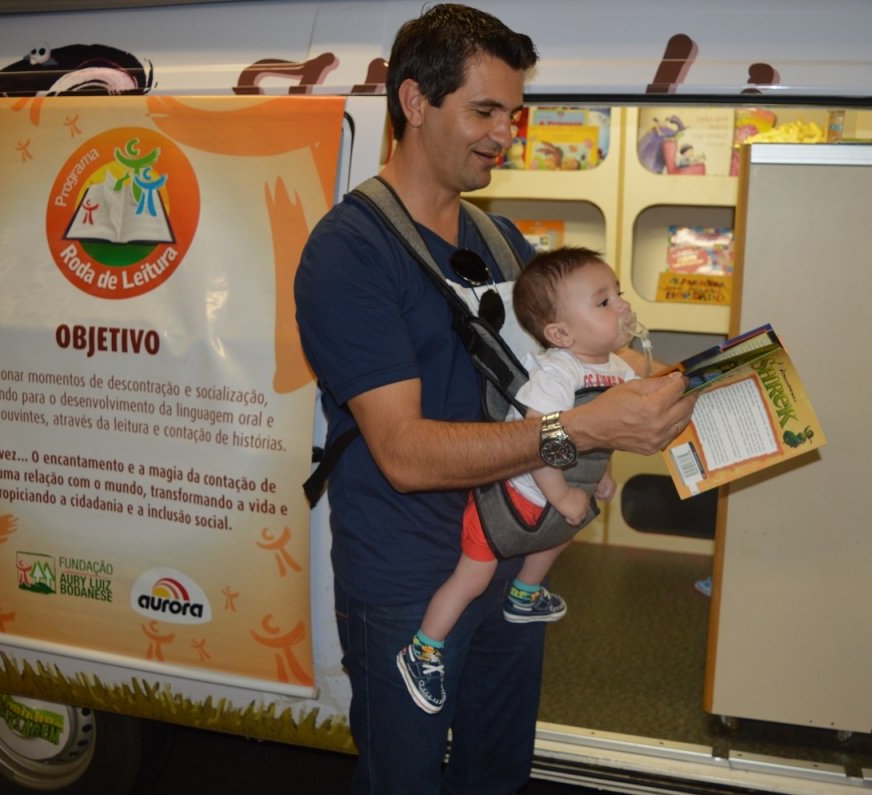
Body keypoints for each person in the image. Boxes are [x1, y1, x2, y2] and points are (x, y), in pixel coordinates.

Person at [294, 5, 696, 793]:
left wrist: (671, 381)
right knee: (403, 778)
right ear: (414, 102)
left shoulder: (502, 240)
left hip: (508, 549)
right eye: (484, 111)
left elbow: (589, 343)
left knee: (497, 769)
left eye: (512, 115)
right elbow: (405, 455)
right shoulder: (350, 253)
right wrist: (577, 429)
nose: (503, 133)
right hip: (410, 576)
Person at [397, 247, 647, 715]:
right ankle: (423, 649)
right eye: (604, 302)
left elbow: (602, 437)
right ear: (559, 333)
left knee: (563, 531)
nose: (623, 308)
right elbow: (540, 438)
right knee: (472, 577)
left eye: (619, 294)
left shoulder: (618, 369)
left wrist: (602, 477)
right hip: (517, 494)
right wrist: (561, 494)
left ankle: (525, 594)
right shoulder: (558, 371)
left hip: (564, 488)